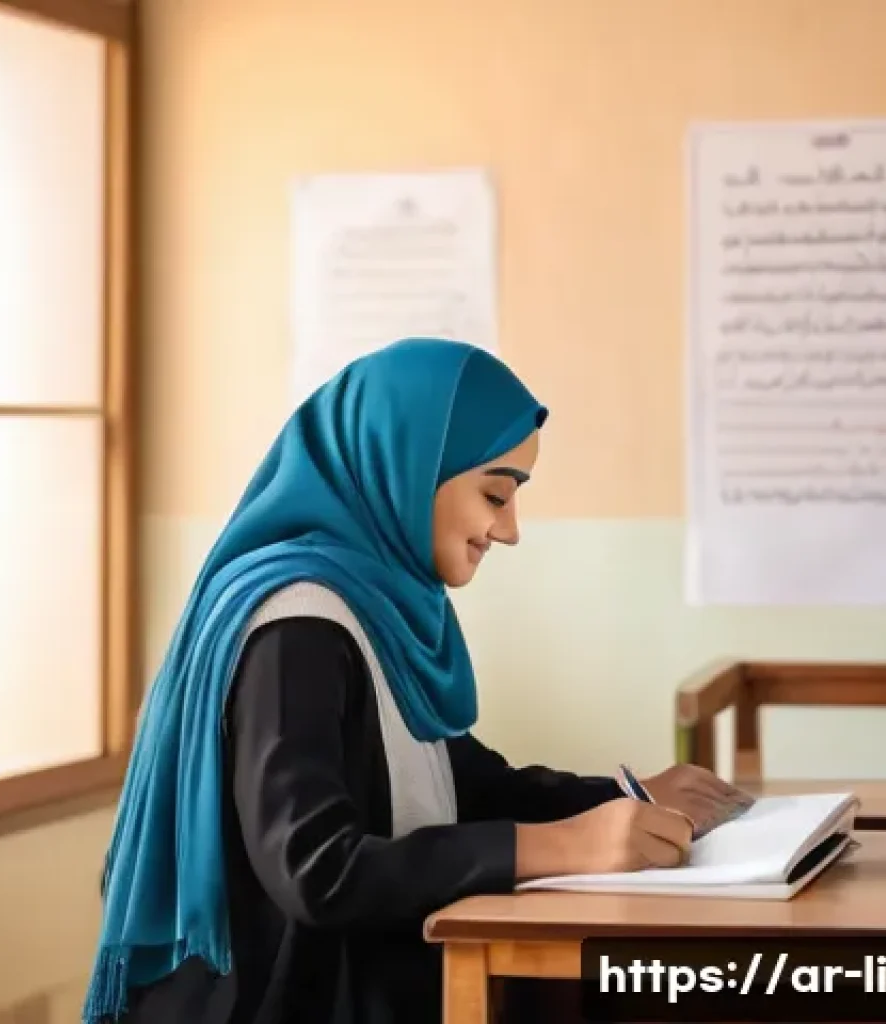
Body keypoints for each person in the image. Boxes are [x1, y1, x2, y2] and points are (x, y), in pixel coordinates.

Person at [83, 338, 751, 1024]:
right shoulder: (298, 628)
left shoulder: (374, 606)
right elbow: (315, 868)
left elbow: (470, 784)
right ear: (407, 467)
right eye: (495, 494)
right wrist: (568, 845)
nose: (509, 530)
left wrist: (630, 796)